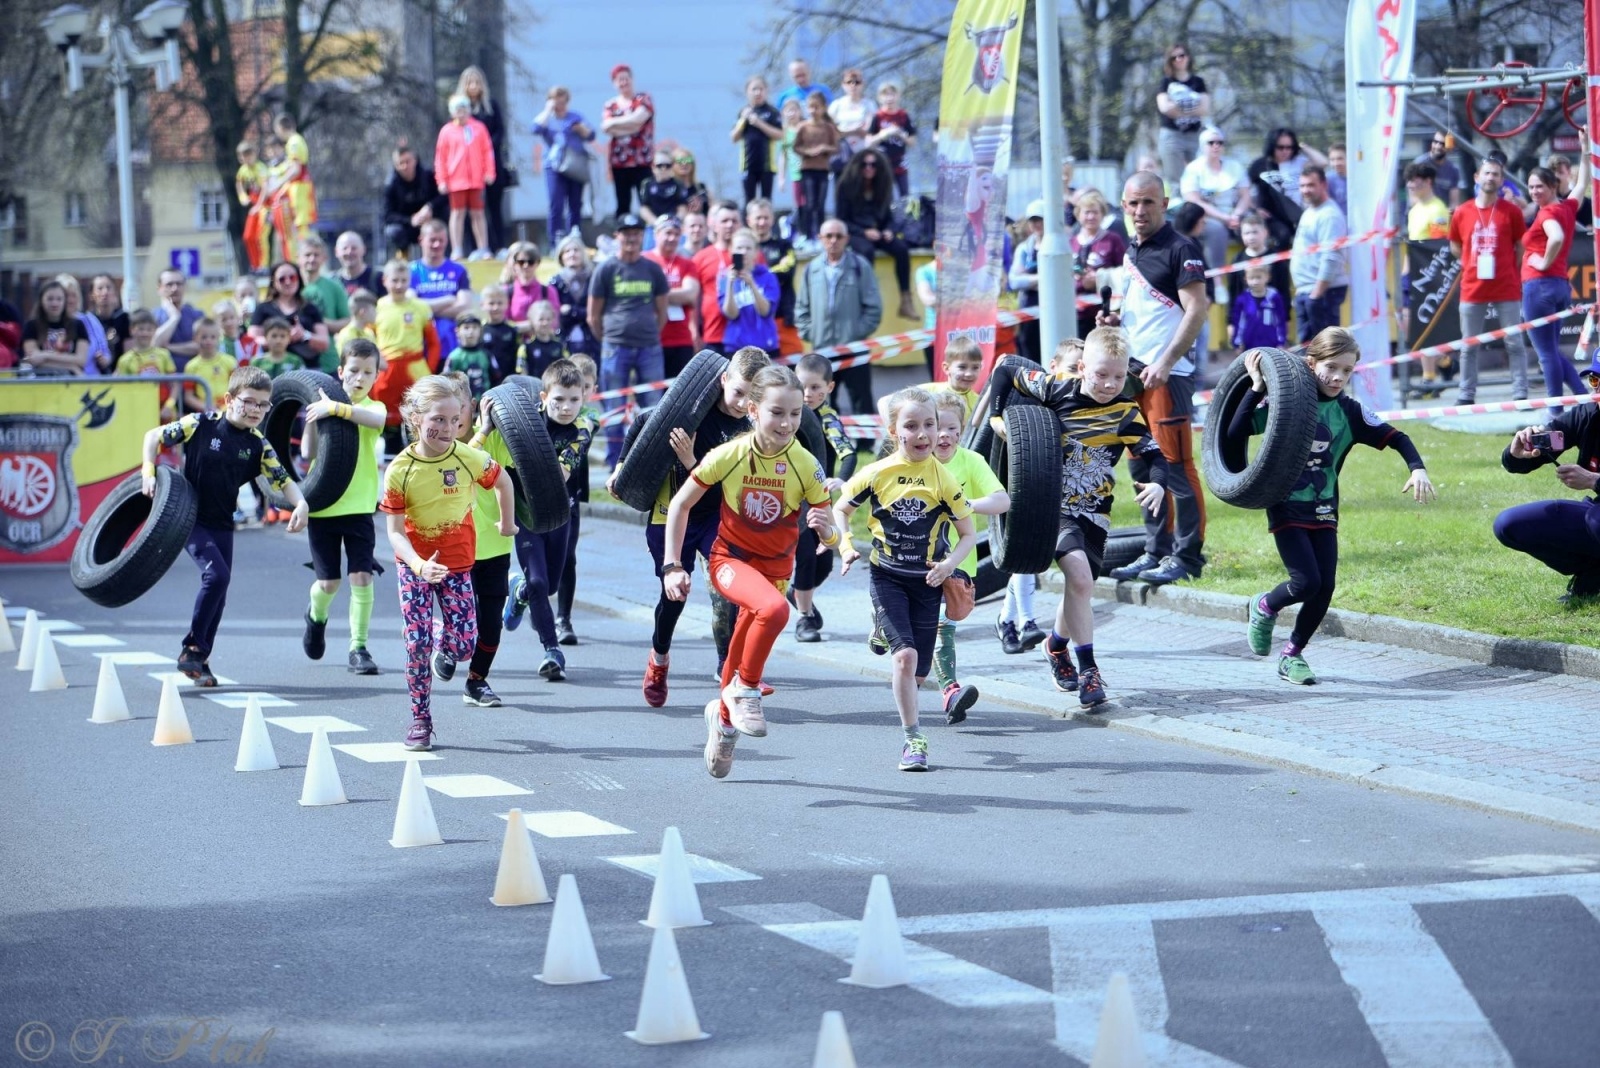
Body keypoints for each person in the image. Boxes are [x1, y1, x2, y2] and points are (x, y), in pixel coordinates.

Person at [655, 365, 835, 777]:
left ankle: (722, 724)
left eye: (794, 414)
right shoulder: (729, 455)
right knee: (775, 611)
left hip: (776, 570)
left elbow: (829, 525)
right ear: (753, 410)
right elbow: (680, 505)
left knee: (736, 656)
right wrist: (672, 565)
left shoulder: (805, 464)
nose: (787, 423)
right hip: (730, 561)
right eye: (776, 413)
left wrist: (830, 535)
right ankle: (748, 691)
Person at [1229, 329, 1435, 684]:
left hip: (1324, 508)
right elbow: (1234, 433)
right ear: (1311, 364)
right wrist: (1258, 386)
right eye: (1331, 367)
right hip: (1287, 505)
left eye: (1348, 370)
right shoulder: (1286, 405)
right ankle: (1265, 606)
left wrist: (1417, 468)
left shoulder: (1350, 411)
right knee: (1306, 581)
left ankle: (1292, 654)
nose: (1339, 377)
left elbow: (1396, 437)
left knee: (1325, 587)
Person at [991, 329, 1166, 708]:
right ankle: (1089, 670)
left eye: (1118, 377)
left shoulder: (1126, 411)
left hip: (1096, 513)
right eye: (1101, 374)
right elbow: (1005, 369)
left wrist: (1158, 485)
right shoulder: (1056, 388)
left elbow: (1154, 456)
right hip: (1052, 506)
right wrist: (995, 419)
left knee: (1080, 588)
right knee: (1080, 577)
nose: (1109, 384)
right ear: (1083, 367)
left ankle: (1055, 647)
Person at [614, 347, 770, 707]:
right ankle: (659, 659)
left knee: (728, 593)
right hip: (672, 513)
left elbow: (734, 481)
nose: (742, 402)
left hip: (716, 514)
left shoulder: (751, 427)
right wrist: (622, 467)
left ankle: (728, 667)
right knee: (674, 597)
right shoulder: (692, 410)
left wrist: (691, 461)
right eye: (738, 392)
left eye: (752, 396)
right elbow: (642, 424)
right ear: (724, 380)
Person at [835, 387, 977, 771]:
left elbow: (968, 534)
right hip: (887, 577)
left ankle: (882, 629)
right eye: (911, 426)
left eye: (929, 424)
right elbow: (841, 509)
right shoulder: (877, 473)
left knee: (918, 673)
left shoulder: (944, 480)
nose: (923, 434)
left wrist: (948, 566)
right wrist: (846, 545)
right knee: (905, 658)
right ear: (894, 431)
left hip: (928, 582)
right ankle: (913, 739)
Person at [142, 365, 307, 686]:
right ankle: (192, 648)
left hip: (222, 524)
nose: (256, 410)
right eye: (248, 401)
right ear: (229, 399)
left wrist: (300, 503)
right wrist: (148, 471)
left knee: (220, 590)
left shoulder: (259, 445)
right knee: (216, 575)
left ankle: (200, 661)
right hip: (188, 516)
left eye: (263, 404)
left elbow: (284, 479)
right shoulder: (200, 424)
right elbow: (152, 437)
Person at [381, 374, 514, 751]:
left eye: (454, 420)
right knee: (417, 645)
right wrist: (419, 565)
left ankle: (437, 634)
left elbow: (503, 481)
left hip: (457, 566)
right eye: (437, 419)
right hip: (415, 567)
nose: (446, 428)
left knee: (462, 647)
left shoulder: (468, 456)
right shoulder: (399, 470)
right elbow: (394, 533)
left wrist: (506, 522)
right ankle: (421, 719)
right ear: (414, 417)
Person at [1101, 172, 1209, 586]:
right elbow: (1147, 313)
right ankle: (1154, 552)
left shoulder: (1182, 248)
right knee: (1143, 469)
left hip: (1168, 376)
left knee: (1176, 468)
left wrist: (1166, 361)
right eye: (1133, 203)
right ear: (1123, 206)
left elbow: (1197, 310)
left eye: (1148, 202)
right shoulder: (1132, 249)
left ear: (1165, 203)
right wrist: (1114, 321)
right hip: (1132, 375)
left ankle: (1187, 558)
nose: (1140, 211)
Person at [501, 360, 595, 681]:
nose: (566, 408)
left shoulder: (582, 429)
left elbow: (560, 474)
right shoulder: (526, 421)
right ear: (543, 397)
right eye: (558, 400)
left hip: (560, 513)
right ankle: (552, 651)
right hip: (528, 514)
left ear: (583, 398)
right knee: (540, 583)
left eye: (574, 400)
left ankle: (519, 592)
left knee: (549, 585)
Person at [300, 339, 387, 676]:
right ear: (340, 372)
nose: (359, 377)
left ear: (376, 375)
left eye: (368, 372)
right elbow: (308, 453)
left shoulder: (373, 407)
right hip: (322, 506)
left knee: (361, 577)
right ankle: (315, 617)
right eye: (353, 371)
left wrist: (337, 409)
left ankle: (359, 647)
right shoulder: (323, 406)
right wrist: (313, 415)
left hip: (360, 506)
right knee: (329, 584)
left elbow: (374, 422)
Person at [928, 390, 1009, 723]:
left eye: (954, 430)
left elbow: (1002, 500)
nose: (945, 436)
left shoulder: (971, 461)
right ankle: (947, 687)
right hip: (912, 560)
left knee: (944, 626)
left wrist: (968, 506)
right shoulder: (911, 462)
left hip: (957, 563)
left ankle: (949, 693)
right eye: (938, 428)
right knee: (925, 628)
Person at [1494, 361, 1600, 599]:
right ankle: (1593, 573)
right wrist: (1517, 453)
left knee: (1596, 519)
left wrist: (1594, 481)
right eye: (1594, 380)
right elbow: (1532, 455)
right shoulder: (1587, 414)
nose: (1597, 389)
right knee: (1509, 524)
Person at [588, 214, 669, 468]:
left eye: (636, 232)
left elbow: (662, 313)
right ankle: (616, 464)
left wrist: (647, 334)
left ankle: (649, 463)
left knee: (653, 407)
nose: (632, 238)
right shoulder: (606, 269)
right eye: (626, 233)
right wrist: (611, 338)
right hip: (615, 348)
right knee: (614, 409)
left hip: (649, 348)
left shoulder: (652, 269)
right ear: (617, 236)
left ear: (642, 236)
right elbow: (593, 316)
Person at [1447, 156, 1530, 405]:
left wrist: (1510, 269)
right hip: (1472, 287)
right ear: (1477, 177)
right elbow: (1455, 245)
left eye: (1496, 174)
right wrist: (1470, 262)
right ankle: (1466, 394)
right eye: (1487, 173)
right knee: (1468, 346)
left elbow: (1520, 246)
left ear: (1502, 180)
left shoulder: (1512, 211)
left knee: (1514, 341)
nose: (1491, 178)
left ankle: (1520, 392)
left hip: (1506, 286)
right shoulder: (1463, 212)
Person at [791, 352, 858, 642]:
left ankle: (795, 593)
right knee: (805, 557)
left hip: (820, 500)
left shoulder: (828, 418)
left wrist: (841, 477)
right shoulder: (787, 413)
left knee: (824, 563)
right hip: (792, 500)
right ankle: (803, 618)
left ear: (829, 388)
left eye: (817, 387)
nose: (809, 394)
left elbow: (847, 451)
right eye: (803, 387)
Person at [1523, 137, 1591, 402]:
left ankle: (1554, 408)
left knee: (1546, 353)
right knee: (1551, 350)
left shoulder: (1547, 214)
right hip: (1560, 287)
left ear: (1552, 186)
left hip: (1539, 286)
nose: (1535, 191)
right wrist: (1584, 153)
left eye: (1540, 186)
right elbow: (1582, 184)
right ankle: (1584, 398)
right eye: (1531, 187)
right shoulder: (1566, 207)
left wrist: (1542, 262)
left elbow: (1557, 238)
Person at [795, 218, 883, 415]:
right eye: (828, 236)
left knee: (860, 397)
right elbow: (801, 307)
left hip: (854, 347)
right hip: (822, 349)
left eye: (839, 236)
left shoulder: (860, 266)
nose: (833, 240)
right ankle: (825, 444)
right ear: (820, 238)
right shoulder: (811, 269)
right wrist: (812, 333)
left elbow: (874, 308)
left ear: (847, 238)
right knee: (822, 400)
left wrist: (855, 333)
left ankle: (865, 444)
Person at [835, 148, 915, 321]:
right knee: (866, 251)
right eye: (864, 165)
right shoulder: (845, 186)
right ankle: (866, 300)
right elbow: (841, 220)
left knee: (901, 249)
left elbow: (889, 217)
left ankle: (906, 301)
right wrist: (863, 231)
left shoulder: (882, 185)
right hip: (855, 232)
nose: (869, 168)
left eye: (873, 164)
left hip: (878, 232)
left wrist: (889, 231)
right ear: (858, 166)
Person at [555, 351, 601, 645]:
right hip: (546, 494)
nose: (579, 395)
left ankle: (564, 619)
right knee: (545, 564)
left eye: (585, 388)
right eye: (574, 388)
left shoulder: (589, 418)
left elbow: (587, 426)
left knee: (568, 557)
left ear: (592, 390)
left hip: (572, 493)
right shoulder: (553, 412)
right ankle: (530, 594)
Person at [372, 259, 439, 442]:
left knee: (420, 413)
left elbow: (433, 343)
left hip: (415, 368)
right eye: (395, 280)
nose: (399, 285)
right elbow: (369, 339)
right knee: (385, 414)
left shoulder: (421, 307)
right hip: (386, 369)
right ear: (385, 280)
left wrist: (429, 368)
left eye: (404, 280)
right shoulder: (377, 307)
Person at [1181, 128, 1250, 283]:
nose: (1216, 146)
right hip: (1206, 217)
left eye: (1220, 142)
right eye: (1211, 142)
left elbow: (1245, 196)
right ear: (1202, 145)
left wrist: (1237, 215)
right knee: (1217, 231)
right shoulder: (1193, 169)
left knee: (1253, 227)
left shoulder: (1235, 166)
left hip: (1235, 214)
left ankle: (1256, 272)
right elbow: (1194, 200)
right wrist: (1223, 218)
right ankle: (1217, 280)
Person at [1289, 166, 1349, 344]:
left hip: (1323, 293)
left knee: (1325, 354)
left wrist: (1316, 295)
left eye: (1311, 185)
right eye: (1302, 186)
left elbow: (1332, 257)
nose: (1305, 190)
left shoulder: (1329, 215)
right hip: (1308, 290)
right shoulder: (1310, 211)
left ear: (1324, 185)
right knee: (1309, 354)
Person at [435, 94, 497, 262]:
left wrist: (489, 172)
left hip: (476, 180)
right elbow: (441, 158)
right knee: (457, 214)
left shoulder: (478, 128)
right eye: (458, 110)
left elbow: (487, 151)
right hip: (456, 181)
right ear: (452, 112)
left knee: (478, 213)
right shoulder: (446, 131)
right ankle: (457, 248)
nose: (461, 113)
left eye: (464, 109)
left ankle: (483, 247)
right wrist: (442, 180)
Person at [533, 86, 595, 242]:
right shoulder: (547, 119)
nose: (560, 103)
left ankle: (575, 237)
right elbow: (535, 128)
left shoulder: (575, 117)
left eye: (563, 100)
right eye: (556, 99)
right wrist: (548, 110)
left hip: (574, 166)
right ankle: (555, 240)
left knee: (575, 204)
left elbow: (591, 134)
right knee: (556, 204)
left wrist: (580, 129)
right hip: (554, 166)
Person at [457, 66, 508, 255]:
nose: (474, 86)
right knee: (473, 210)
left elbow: (500, 132)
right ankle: (477, 248)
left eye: (477, 82)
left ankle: (500, 246)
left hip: (492, 165)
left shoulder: (491, 106)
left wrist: (485, 147)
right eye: (470, 83)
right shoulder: (460, 111)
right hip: (469, 169)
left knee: (495, 207)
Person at [642, 214, 700, 377]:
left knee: (680, 393)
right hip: (653, 338)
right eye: (667, 233)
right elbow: (642, 295)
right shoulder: (644, 261)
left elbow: (690, 295)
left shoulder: (687, 263)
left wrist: (657, 295)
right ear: (656, 235)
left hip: (681, 338)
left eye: (676, 234)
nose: (672, 238)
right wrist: (675, 295)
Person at [1070, 190, 1127, 339]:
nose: (1091, 217)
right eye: (1087, 212)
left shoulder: (1112, 240)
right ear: (1078, 214)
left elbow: (1125, 271)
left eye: (1095, 212)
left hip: (1104, 312)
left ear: (1102, 214)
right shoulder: (1070, 242)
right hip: (1075, 313)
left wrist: (1099, 278)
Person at [410, 219, 473, 355]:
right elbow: (411, 306)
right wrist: (448, 300)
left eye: (441, 240)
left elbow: (465, 306)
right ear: (421, 240)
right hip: (420, 346)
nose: (437, 244)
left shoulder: (459, 270)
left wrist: (426, 311)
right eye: (432, 240)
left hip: (452, 346)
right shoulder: (411, 270)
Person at [249, 261, 329, 366]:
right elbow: (252, 341)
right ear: (273, 282)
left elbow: (324, 343)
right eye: (282, 279)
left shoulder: (309, 308)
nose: (288, 282)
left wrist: (304, 335)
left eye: (292, 277)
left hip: (308, 368)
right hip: (273, 369)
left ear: (299, 279)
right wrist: (280, 338)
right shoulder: (263, 308)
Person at [1248, 128, 1318, 249]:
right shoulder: (1259, 165)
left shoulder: (1299, 163)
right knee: (1283, 235)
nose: (1285, 151)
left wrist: (1302, 146)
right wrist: (1255, 209)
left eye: (1289, 147)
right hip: (1270, 216)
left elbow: (1322, 163)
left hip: (1297, 213)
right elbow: (1244, 191)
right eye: (1280, 147)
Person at [601, 64, 655, 216]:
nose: (623, 82)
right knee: (622, 203)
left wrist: (617, 124)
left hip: (642, 161)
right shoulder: (610, 105)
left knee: (646, 201)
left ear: (632, 79)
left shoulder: (643, 99)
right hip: (620, 162)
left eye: (626, 78)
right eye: (619, 80)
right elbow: (606, 127)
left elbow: (639, 120)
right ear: (614, 83)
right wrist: (631, 124)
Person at [747, 198, 799, 355]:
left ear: (772, 219)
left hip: (782, 316)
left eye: (766, 218)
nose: (762, 222)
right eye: (758, 218)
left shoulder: (784, 246)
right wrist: (771, 272)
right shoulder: (742, 247)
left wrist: (756, 274)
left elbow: (788, 272)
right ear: (749, 220)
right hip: (750, 320)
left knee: (790, 371)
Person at [718, 227, 780, 358]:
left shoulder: (768, 277)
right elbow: (731, 314)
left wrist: (752, 284)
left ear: (756, 252)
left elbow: (765, 311)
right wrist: (730, 284)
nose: (744, 252)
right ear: (731, 251)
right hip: (736, 347)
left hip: (765, 346)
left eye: (748, 248)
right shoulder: (724, 280)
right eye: (739, 248)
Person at [1155, 44, 1210, 185]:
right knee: (1175, 179)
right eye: (1174, 57)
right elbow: (1165, 108)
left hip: (1194, 134)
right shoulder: (1166, 82)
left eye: (1182, 56)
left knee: (1199, 177)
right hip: (1172, 135)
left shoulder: (1198, 82)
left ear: (1188, 58)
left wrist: (1179, 109)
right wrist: (1191, 108)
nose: (1178, 60)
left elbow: (1204, 108)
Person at [266, 112, 318, 261]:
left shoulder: (293, 142)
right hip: (298, 187)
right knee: (298, 226)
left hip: (300, 188)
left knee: (301, 224)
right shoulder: (296, 141)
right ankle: (302, 256)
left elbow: (295, 170)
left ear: (280, 128)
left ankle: (306, 255)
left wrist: (277, 184)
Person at [692, 201, 741, 355]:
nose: (729, 225)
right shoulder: (701, 257)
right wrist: (694, 331)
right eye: (724, 221)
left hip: (745, 334)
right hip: (713, 334)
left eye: (734, 221)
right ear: (714, 225)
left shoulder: (752, 255)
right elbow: (694, 300)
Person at [793, 92, 840, 242]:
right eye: (810, 107)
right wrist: (809, 152)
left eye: (816, 107)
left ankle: (821, 235)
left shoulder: (828, 128)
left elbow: (836, 147)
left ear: (823, 108)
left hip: (823, 170)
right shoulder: (803, 127)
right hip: (807, 170)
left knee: (820, 204)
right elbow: (796, 147)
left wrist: (824, 148)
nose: (813, 111)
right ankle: (807, 235)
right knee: (810, 203)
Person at [383, 142, 443, 258]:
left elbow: (443, 197)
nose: (405, 166)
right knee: (393, 231)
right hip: (407, 225)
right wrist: (410, 220)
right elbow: (388, 215)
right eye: (401, 163)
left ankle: (444, 257)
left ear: (415, 160)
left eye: (408, 161)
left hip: (430, 220)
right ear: (396, 166)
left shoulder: (428, 176)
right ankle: (404, 262)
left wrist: (430, 207)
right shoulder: (391, 185)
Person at [116, 310, 177, 419]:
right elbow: (122, 390)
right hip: (139, 413)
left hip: (164, 413)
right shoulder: (125, 360)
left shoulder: (163, 354)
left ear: (154, 331)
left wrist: (169, 406)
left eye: (149, 329)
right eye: (140, 329)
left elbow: (175, 384)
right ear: (131, 330)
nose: (145, 333)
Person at [1227, 212, 1293, 313]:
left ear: (1265, 233)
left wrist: (1285, 317)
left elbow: (1284, 289)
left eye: (1255, 232)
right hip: (1246, 317)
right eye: (1247, 233)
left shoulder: (1276, 258)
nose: (1251, 237)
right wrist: (1231, 322)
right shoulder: (1237, 260)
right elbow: (1233, 293)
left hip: (1272, 315)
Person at [731, 76, 783, 204]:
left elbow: (780, 135)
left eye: (761, 89)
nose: (757, 92)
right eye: (754, 89)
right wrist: (743, 120)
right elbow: (734, 137)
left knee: (766, 200)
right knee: (749, 201)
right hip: (747, 165)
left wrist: (759, 123)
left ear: (766, 91)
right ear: (747, 92)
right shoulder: (743, 112)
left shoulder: (772, 112)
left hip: (767, 166)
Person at [298, 233, 351, 355]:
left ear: (324, 258)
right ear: (298, 257)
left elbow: (347, 320)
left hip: (327, 357)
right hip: (296, 358)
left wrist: (319, 323)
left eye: (316, 255)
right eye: (307, 255)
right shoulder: (289, 285)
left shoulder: (334, 287)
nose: (311, 259)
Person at [21, 280, 87, 376]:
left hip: (72, 382)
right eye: (50, 299)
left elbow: (81, 360)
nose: (55, 303)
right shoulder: (31, 325)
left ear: (65, 301)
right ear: (41, 300)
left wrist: (44, 355)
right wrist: (71, 366)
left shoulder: (78, 325)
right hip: (41, 381)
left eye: (59, 299)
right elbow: (33, 359)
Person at [1008, 200, 1046, 363]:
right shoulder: (1024, 249)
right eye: (1033, 220)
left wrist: (1029, 280)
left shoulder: (1062, 244)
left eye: (1040, 219)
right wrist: (1042, 279)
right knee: (1030, 358)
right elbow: (1015, 281)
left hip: (1054, 311)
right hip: (1029, 313)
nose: (1036, 224)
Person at [866, 81, 917, 196]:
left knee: (904, 195)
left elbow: (912, 142)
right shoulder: (877, 116)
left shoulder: (904, 116)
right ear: (880, 97)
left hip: (900, 163)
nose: (889, 98)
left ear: (898, 96)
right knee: (884, 195)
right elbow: (868, 142)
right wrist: (883, 134)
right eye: (886, 95)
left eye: (892, 94)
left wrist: (900, 134)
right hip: (882, 163)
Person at [553, 234, 599, 357]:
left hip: (593, 338)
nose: (572, 254)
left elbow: (597, 312)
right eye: (567, 251)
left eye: (576, 250)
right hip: (564, 338)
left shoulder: (594, 278)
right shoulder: (555, 282)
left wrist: (571, 310)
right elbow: (555, 313)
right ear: (561, 256)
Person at [501, 241, 561, 334]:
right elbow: (502, 323)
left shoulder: (548, 291)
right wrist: (533, 325)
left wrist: (524, 326)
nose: (526, 266)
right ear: (515, 264)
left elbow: (554, 322)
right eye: (521, 262)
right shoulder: (506, 292)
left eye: (530, 262)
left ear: (537, 264)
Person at [152, 269, 206, 369]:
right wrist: (174, 318)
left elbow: (202, 346)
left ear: (185, 287)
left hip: (192, 376)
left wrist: (168, 347)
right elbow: (154, 344)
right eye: (169, 284)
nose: (175, 288)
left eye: (179, 284)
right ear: (159, 288)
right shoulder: (153, 316)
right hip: (163, 377)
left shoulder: (197, 315)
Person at [182, 319, 236, 413]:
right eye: (204, 337)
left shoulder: (230, 361)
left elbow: (238, 388)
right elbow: (189, 397)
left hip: (228, 410)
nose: (208, 341)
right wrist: (206, 407)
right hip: (205, 413)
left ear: (219, 337)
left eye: (213, 337)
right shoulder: (191, 366)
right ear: (195, 338)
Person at [1230, 265, 1287, 351]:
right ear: (1246, 279)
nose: (1255, 281)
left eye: (1259, 277)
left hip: (1272, 346)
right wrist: (1237, 343)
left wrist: (1281, 342)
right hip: (1248, 346)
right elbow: (1238, 322)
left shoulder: (1275, 297)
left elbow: (1280, 321)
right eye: (1251, 278)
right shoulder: (1242, 299)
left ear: (1267, 277)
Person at [236, 140, 272, 273]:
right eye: (242, 156)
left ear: (254, 155)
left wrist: (259, 205)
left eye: (248, 155)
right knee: (248, 236)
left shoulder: (260, 168)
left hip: (265, 207)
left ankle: (263, 265)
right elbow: (239, 184)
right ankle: (254, 265)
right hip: (254, 207)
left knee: (261, 236)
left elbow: (265, 188)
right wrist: (243, 197)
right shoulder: (243, 170)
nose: (245, 159)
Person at [444, 312, 494, 400]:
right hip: (462, 404)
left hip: (485, 401)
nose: (471, 331)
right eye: (466, 328)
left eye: (475, 327)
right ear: (457, 331)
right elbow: (446, 381)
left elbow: (496, 377)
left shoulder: (486, 355)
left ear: (480, 330)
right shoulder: (454, 357)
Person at [829, 68, 874, 159]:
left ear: (862, 84)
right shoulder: (836, 105)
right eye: (849, 82)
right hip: (841, 153)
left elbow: (869, 130)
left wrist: (843, 131)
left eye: (857, 82)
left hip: (863, 153)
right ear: (843, 85)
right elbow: (829, 129)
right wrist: (854, 131)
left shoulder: (869, 105)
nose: (853, 85)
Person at [637, 150, 689, 229]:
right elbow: (644, 209)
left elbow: (682, 208)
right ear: (653, 167)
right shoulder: (647, 184)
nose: (663, 169)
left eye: (667, 166)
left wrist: (673, 222)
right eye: (659, 165)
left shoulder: (678, 184)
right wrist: (657, 223)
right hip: (653, 226)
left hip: (674, 226)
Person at [479, 284, 519, 383]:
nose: (496, 307)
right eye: (491, 303)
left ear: (507, 304)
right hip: (486, 381)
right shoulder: (480, 330)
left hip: (509, 381)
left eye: (500, 303)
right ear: (482, 305)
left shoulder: (513, 330)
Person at [515, 301, 567, 377]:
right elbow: (522, 374)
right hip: (534, 387)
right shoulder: (525, 347)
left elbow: (568, 369)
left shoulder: (560, 345)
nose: (545, 323)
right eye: (541, 319)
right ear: (532, 321)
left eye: (548, 319)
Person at [1413, 132, 1462, 209]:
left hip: (1441, 217)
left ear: (1450, 147)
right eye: (1435, 142)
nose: (1438, 146)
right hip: (1421, 214)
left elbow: (1454, 202)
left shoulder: (1453, 170)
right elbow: (1413, 197)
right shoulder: (1419, 164)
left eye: (1443, 144)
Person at [88, 274, 129, 367]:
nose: (105, 292)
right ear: (92, 294)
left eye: (108, 288)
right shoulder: (88, 320)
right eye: (100, 288)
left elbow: (128, 352)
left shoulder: (124, 318)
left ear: (115, 291)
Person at [334, 290, 378, 362]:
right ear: (362, 312)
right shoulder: (347, 335)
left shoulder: (369, 333)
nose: (376, 313)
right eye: (374, 310)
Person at [334, 231, 380, 298]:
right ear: (336, 252)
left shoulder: (378, 279)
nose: (349, 252)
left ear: (364, 250)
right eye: (345, 248)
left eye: (354, 248)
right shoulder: (332, 282)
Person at [671, 151, 711, 218]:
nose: (684, 163)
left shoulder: (701, 188)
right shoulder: (669, 189)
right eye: (680, 160)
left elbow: (712, 210)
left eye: (688, 160)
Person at [1326, 143, 1349, 215]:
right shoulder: (1328, 179)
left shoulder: (1359, 177)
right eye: (1332, 160)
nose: (1336, 163)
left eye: (1340, 159)